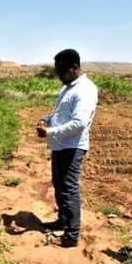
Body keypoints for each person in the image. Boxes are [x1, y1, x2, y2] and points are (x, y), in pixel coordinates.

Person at [36, 49, 98, 247]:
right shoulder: (68, 87)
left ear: (74, 67)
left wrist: (49, 132)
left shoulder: (85, 89)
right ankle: (62, 221)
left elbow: (79, 123)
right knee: (60, 186)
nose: (58, 75)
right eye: (56, 70)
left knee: (69, 190)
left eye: (61, 70)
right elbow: (60, 115)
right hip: (60, 145)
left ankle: (71, 235)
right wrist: (46, 120)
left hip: (72, 146)